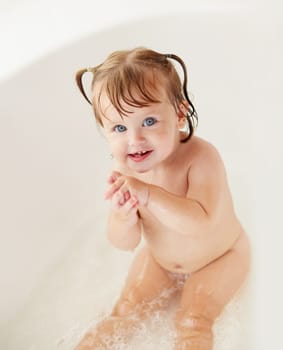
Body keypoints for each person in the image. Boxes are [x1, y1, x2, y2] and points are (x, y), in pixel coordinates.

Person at [74, 47, 250, 350]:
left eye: (149, 121)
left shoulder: (201, 158)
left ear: (180, 112)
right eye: (119, 127)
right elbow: (124, 244)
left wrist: (148, 194)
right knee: (123, 311)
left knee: (192, 321)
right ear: (105, 132)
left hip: (221, 257)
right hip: (161, 261)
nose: (135, 139)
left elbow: (201, 223)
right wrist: (123, 217)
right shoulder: (125, 169)